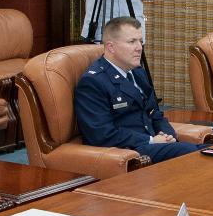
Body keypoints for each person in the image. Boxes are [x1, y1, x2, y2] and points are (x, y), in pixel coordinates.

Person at [75, 16, 196, 164]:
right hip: (130, 151)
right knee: (196, 154)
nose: (139, 47)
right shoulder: (94, 82)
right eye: (132, 42)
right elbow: (102, 134)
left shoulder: (137, 73)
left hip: (153, 145)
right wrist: (151, 140)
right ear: (111, 47)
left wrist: (169, 136)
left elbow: (155, 114)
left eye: (140, 41)